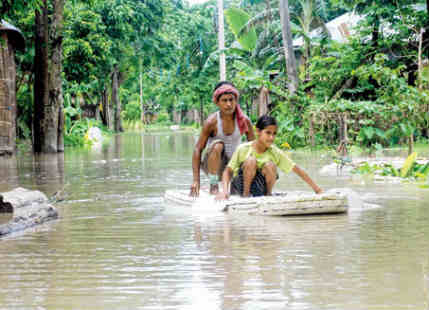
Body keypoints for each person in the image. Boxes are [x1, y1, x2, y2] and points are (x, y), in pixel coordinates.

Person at [216, 114, 322, 200]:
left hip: (260, 187)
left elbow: (297, 169)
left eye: (274, 134)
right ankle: (245, 196)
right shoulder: (243, 148)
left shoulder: (275, 152)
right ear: (258, 132)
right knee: (251, 161)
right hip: (241, 186)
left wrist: (317, 189)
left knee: (270, 165)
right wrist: (224, 191)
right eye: (268, 133)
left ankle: (268, 195)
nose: (271, 137)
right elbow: (227, 171)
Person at [190, 81, 255, 197]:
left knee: (249, 157)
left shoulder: (244, 120)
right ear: (218, 103)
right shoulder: (211, 122)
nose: (228, 104)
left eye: (231, 100)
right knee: (218, 145)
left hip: (234, 167)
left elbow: (254, 148)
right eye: (224, 100)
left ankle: (240, 188)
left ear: (236, 101)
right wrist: (196, 181)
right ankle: (214, 186)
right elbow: (197, 149)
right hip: (214, 166)